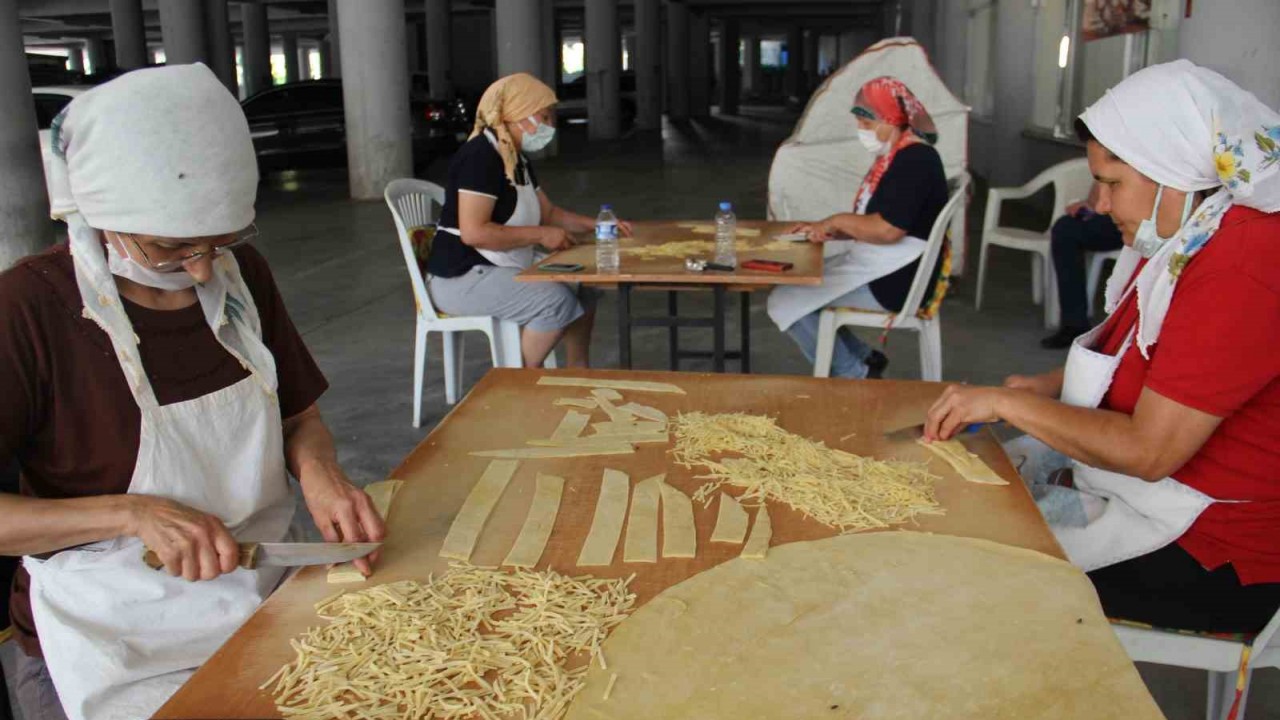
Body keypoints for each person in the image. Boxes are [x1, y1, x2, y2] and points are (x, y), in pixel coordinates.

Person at [0, 65, 385, 720]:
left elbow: (300, 414)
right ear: (101, 211)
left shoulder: (242, 278)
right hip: (109, 637)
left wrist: (318, 470)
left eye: (222, 241)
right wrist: (131, 513)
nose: (204, 269)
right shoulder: (29, 310)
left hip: (260, 599)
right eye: (172, 248)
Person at [924, 60, 1280, 633]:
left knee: (969, 562)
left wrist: (1008, 405)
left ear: (1176, 169)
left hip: (1215, 545)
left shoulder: (1242, 261)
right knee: (963, 496)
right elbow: (1145, 362)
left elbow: (1148, 452)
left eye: (1113, 183)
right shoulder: (1190, 236)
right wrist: (1040, 389)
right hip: (1153, 497)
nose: (1099, 203)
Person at [426, 73, 632, 368]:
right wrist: (540, 235)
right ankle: (517, 382)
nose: (550, 125)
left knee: (583, 285)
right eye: (543, 116)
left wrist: (599, 224)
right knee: (554, 301)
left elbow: (549, 213)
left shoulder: (514, 157)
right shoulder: (481, 156)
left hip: (498, 265)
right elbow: (474, 233)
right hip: (462, 276)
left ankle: (578, 371)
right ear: (516, 114)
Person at [768, 77, 950, 379]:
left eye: (866, 123)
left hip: (897, 281)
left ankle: (856, 373)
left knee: (784, 298)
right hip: (891, 267)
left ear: (890, 120)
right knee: (797, 289)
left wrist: (837, 221)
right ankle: (865, 358)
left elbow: (888, 230)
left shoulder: (915, 161)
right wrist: (826, 228)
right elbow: (879, 219)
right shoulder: (900, 156)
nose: (861, 131)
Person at [1040, 183, 1124, 349]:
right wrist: (1088, 205)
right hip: (1113, 215)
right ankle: (1074, 324)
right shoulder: (1117, 158)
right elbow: (1104, 179)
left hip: (1154, 218)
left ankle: (1128, 335)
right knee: (1065, 229)